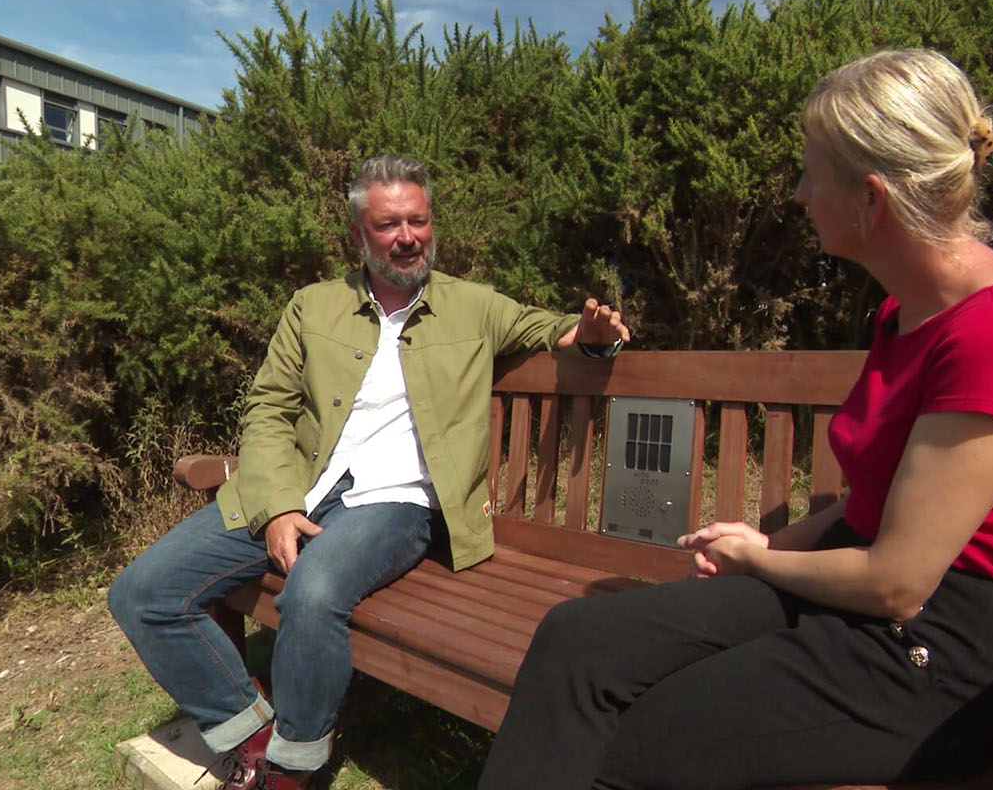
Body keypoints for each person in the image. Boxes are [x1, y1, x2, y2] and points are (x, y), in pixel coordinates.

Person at [478, 49, 993, 790]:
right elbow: (873, 509)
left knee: (645, 740)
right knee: (578, 640)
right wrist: (765, 541)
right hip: (857, 592)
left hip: (938, 651)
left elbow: (898, 580)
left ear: (871, 199)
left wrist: (760, 559)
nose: (800, 195)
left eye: (811, 174)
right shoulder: (906, 309)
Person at [108, 154, 630, 790]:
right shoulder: (313, 307)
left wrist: (595, 334)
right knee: (142, 592)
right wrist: (275, 507)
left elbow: (554, 330)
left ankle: (291, 771)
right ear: (360, 234)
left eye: (419, 221)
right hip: (295, 484)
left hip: (395, 501)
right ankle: (253, 731)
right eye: (389, 224)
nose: (408, 236)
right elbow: (268, 406)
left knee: (312, 592)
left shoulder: (474, 306)